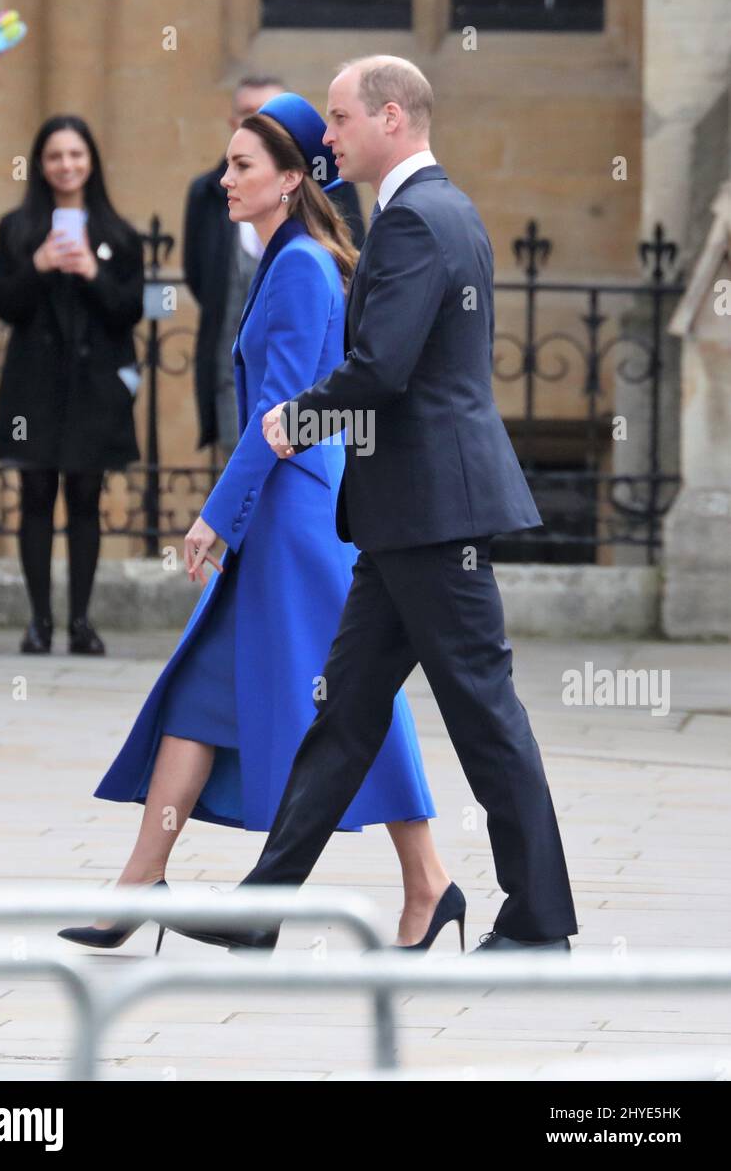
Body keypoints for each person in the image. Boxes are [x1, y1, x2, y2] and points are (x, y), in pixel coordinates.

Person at [180, 56, 579, 956]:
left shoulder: (413, 220)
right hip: (407, 519)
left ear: (390, 118)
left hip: (433, 518)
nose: (327, 136)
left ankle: (541, 920)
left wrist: (296, 418)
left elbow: (385, 374)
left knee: (483, 714)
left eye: (338, 118)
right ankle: (258, 913)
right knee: (345, 717)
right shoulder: (441, 210)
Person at [58, 92, 464, 956]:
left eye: (242, 165)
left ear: (290, 179)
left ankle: (428, 881)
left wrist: (215, 517)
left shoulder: (298, 268)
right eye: (227, 162)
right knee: (201, 694)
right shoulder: (291, 257)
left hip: (297, 524)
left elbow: (278, 417)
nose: (224, 178)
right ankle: (138, 884)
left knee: (357, 701)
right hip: (283, 517)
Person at [0, 115, 144, 656]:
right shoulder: (16, 228)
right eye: (55, 156)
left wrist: (91, 273)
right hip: (35, 387)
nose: (66, 165)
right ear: (40, 164)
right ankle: (39, 622)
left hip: (94, 388)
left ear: (91, 161)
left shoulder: (119, 234)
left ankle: (80, 621)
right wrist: (37, 265)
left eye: (76, 155)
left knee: (85, 497)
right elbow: (2, 304)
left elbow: (130, 309)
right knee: (34, 495)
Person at [183, 74, 365, 462]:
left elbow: (282, 406)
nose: (227, 179)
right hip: (233, 381)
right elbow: (199, 277)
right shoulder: (209, 193)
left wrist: (211, 522)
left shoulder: (304, 256)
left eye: (269, 115)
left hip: (297, 416)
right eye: (249, 114)